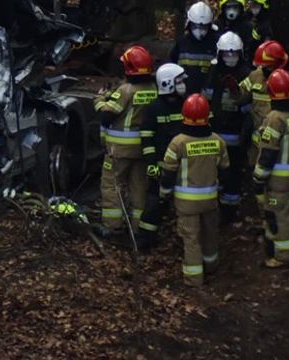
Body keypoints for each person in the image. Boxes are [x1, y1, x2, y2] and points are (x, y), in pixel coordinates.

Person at [159, 94, 229, 286]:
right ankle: (212, 266)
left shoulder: (178, 143)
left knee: (191, 238)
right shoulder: (218, 141)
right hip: (210, 200)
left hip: (186, 202)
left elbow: (168, 173)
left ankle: (194, 278)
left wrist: (164, 194)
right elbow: (224, 172)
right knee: (210, 233)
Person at [95, 45, 158, 235]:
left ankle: (112, 226)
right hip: (142, 149)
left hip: (119, 150)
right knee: (139, 188)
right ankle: (138, 228)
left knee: (112, 185)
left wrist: (98, 98)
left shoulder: (125, 90)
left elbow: (107, 114)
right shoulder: (153, 88)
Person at [252, 69, 289, 268]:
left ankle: (285, 255)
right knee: (281, 209)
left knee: (278, 214)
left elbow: (268, 153)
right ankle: (273, 242)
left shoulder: (275, 118)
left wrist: (259, 177)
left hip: (277, 177)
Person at [136, 63, 186, 249]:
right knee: (154, 205)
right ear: (168, 83)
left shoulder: (187, 104)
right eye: (179, 80)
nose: (182, 84)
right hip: (162, 166)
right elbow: (147, 138)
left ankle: (182, 241)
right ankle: (145, 240)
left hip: (184, 166)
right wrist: (151, 164)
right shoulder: (153, 108)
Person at [206, 31, 254, 223]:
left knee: (234, 171)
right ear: (220, 54)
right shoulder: (214, 73)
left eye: (234, 54)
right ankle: (213, 207)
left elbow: (251, 106)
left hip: (237, 131)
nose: (230, 58)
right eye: (227, 54)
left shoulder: (247, 73)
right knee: (214, 170)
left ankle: (230, 210)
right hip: (215, 130)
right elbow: (207, 98)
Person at [240, 40, 289, 167]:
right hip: (257, 144)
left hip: (283, 146)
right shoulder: (256, 76)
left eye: (267, 67)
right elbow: (241, 96)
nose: (263, 69)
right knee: (256, 173)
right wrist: (234, 90)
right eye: (262, 66)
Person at [169, 1, 218, 95]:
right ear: (189, 24)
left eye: (204, 27)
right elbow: (172, 64)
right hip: (183, 96)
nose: (199, 31)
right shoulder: (181, 43)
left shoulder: (215, 43)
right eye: (196, 26)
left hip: (207, 98)